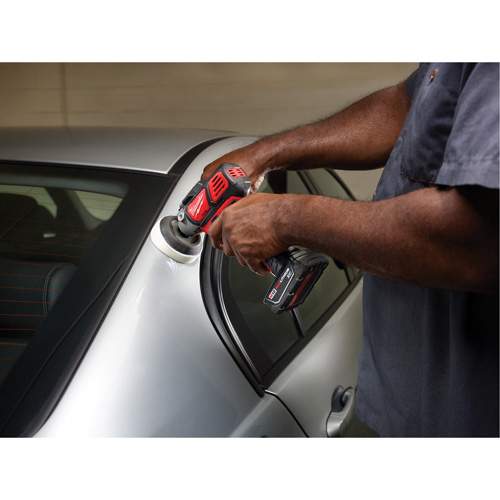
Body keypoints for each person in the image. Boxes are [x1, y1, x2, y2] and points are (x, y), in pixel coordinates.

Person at [202, 63, 499, 437]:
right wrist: (264, 154)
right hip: (408, 404)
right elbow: (408, 105)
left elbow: (475, 240)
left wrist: (282, 218)